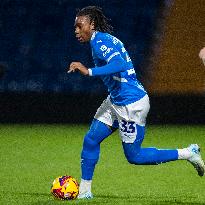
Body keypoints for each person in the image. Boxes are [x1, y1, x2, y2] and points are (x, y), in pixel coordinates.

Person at [68, 6, 205, 199]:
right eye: (75, 26)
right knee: (91, 139)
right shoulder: (100, 40)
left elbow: (120, 64)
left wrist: (88, 71)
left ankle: (188, 153)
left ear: (91, 24)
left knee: (135, 156)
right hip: (116, 99)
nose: (76, 30)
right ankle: (84, 192)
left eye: (79, 26)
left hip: (130, 104)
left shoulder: (100, 42)